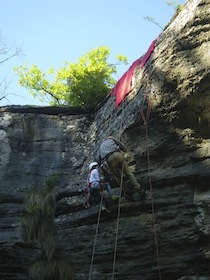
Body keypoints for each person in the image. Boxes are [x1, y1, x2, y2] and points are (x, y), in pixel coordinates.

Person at [98, 136, 145, 201]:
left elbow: (99, 159)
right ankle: (139, 190)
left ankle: (127, 192)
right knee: (128, 173)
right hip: (117, 155)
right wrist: (125, 151)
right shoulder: (111, 139)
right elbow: (121, 146)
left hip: (109, 159)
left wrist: (101, 167)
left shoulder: (101, 147)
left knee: (118, 177)